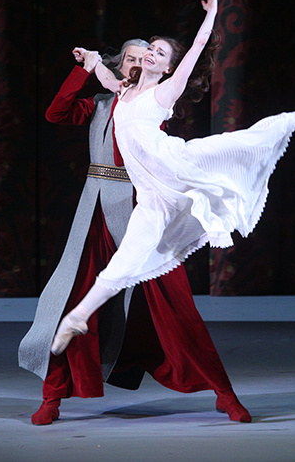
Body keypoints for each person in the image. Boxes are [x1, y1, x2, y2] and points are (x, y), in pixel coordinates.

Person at [51, 0, 295, 383]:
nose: (151, 53)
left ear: (167, 68)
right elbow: (103, 73)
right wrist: (91, 60)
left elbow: (198, 48)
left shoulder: (166, 91)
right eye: (151, 47)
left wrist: (213, 13)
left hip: (179, 164)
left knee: (252, 138)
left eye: (160, 53)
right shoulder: (123, 90)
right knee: (124, 262)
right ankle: (77, 317)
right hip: (151, 196)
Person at [19, 38, 252, 425]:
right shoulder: (98, 106)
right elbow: (55, 113)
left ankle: (223, 393)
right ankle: (53, 395)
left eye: (142, 58)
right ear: (118, 65)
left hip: (140, 209)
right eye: (128, 58)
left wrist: (100, 68)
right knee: (70, 299)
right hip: (94, 210)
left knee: (174, 303)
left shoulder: (151, 103)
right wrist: (84, 69)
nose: (134, 64)